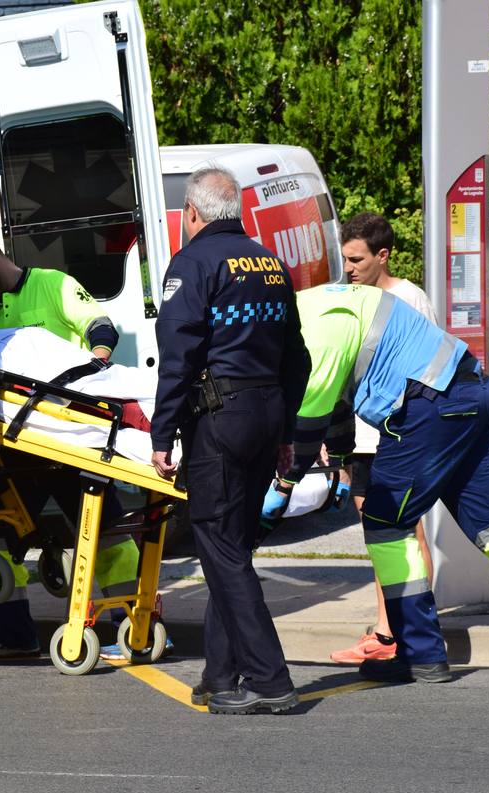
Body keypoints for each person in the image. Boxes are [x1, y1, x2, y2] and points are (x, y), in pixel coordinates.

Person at [270, 281, 489, 684]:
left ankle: (421, 653)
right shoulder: (321, 302)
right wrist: (338, 461)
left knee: (386, 525)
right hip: (477, 392)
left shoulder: (312, 334)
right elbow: (336, 410)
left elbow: (308, 426)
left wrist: (283, 486)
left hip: (429, 407)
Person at [150, 167, 310, 715]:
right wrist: (286, 430)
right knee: (231, 551)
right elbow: (298, 355)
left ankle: (269, 678)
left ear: (192, 213)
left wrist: (161, 434)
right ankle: (221, 676)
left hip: (220, 416)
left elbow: (178, 358)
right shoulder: (269, 263)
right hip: (266, 412)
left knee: (219, 548)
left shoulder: (192, 264)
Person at [0, 231, 143, 658]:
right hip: (18, 448)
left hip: (68, 440)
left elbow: (99, 326)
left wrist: (96, 370)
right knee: (1, 537)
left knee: (107, 534)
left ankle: (135, 626)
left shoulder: (53, 285)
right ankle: (15, 635)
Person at [330, 213, 437, 665]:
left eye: (356, 259)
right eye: (345, 258)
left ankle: (401, 630)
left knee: (403, 534)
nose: (348, 267)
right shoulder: (353, 297)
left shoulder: (409, 299)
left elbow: (430, 368)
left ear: (383, 256)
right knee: (379, 536)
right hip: (361, 436)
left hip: (398, 436)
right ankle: (387, 627)